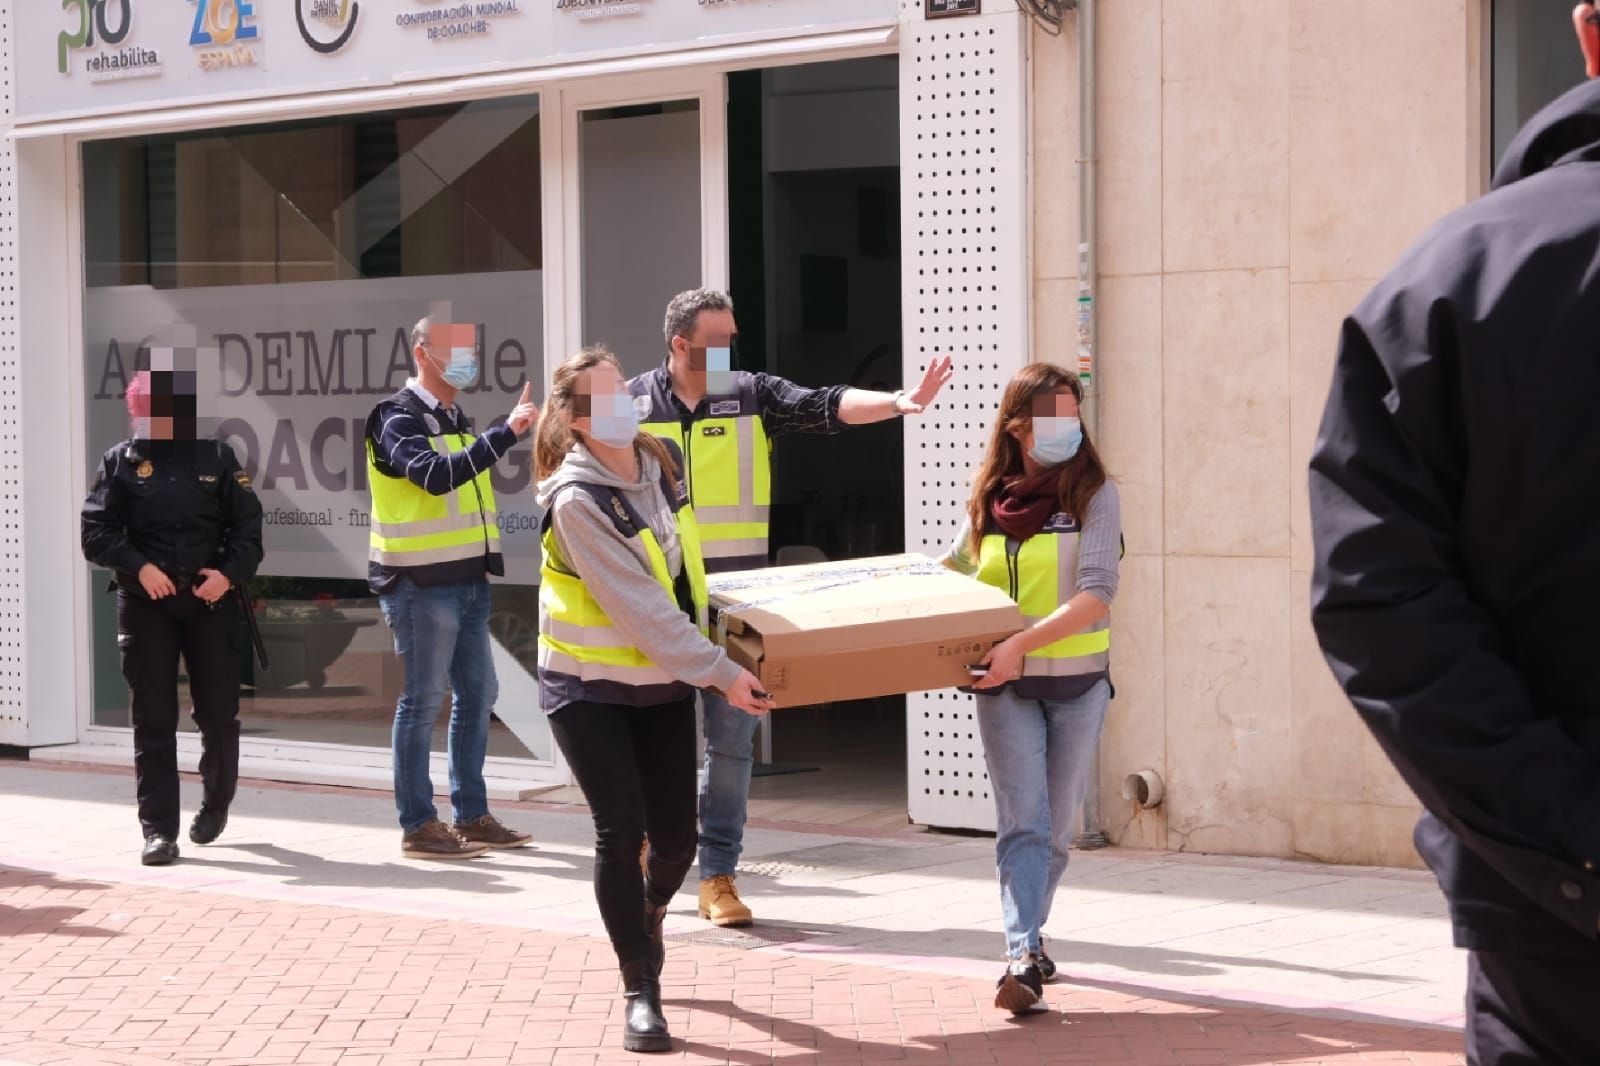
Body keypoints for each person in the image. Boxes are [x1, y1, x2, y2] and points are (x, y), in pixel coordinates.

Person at [1308, 75, 1600, 1064]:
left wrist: (1569, 834)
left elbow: (1377, 602)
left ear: (1586, 34)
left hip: (1555, 927)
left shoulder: (1448, 282)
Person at [630, 287, 955, 926]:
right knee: (656, 746)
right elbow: (572, 452)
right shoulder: (627, 403)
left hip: (738, 608)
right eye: (716, 342)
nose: (728, 350)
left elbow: (825, 405)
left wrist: (898, 403)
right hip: (660, 607)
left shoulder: (751, 393)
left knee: (731, 750)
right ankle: (653, 847)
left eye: (731, 338)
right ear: (679, 344)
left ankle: (718, 876)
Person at [534, 347, 774, 1053]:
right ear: (575, 422)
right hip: (587, 684)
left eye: (620, 388)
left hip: (662, 679)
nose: (620, 401)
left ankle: (648, 913)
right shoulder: (576, 500)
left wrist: (732, 639)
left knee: (677, 838)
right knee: (621, 828)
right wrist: (719, 672)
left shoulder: (662, 463)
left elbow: (685, 572)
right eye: (600, 396)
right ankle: (641, 986)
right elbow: (639, 606)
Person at [942, 363, 1120, 1015]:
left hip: (1077, 687)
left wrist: (1019, 644)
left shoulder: (1095, 494)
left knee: (1056, 832)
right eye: (1054, 418)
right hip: (1004, 689)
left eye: (1074, 416)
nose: (1068, 428)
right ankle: (1020, 954)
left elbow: (1097, 594)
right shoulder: (989, 498)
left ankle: (1031, 938)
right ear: (1018, 427)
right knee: (1024, 821)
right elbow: (953, 571)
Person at [365, 313, 541, 860]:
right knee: (422, 702)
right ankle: (418, 824)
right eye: (456, 350)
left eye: (471, 349)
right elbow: (435, 477)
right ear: (422, 353)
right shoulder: (394, 417)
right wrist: (505, 433)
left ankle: (471, 815)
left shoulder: (453, 414)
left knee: (479, 693)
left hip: (465, 579)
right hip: (419, 583)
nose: (468, 360)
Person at [80, 361, 265, 867]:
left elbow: (249, 529)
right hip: (147, 606)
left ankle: (216, 802)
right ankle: (159, 830)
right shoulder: (120, 462)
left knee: (218, 716)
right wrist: (139, 568)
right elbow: (95, 532)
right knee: (153, 719)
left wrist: (227, 574)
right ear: (137, 410)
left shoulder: (218, 458)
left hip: (211, 602)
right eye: (148, 407)